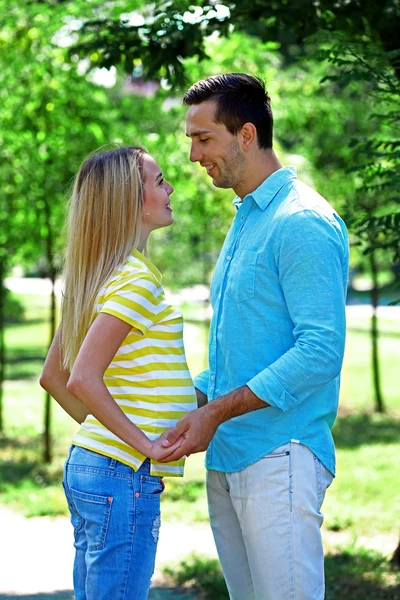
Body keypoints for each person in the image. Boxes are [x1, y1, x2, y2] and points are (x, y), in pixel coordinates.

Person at [160, 73, 349, 600]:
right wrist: (184, 403)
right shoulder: (247, 219)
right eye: (191, 140)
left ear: (246, 135)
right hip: (228, 454)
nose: (194, 156)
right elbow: (235, 350)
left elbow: (320, 352)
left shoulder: (301, 221)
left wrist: (214, 412)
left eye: (204, 139)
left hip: (279, 455)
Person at [40, 146, 197, 600]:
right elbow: (81, 378)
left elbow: (53, 375)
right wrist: (141, 445)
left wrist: (107, 440)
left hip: (96, 466)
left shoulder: (100, 275)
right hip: (120, 473)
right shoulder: (135, 280)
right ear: (131, 200)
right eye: (160, 180)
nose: (170, 189)